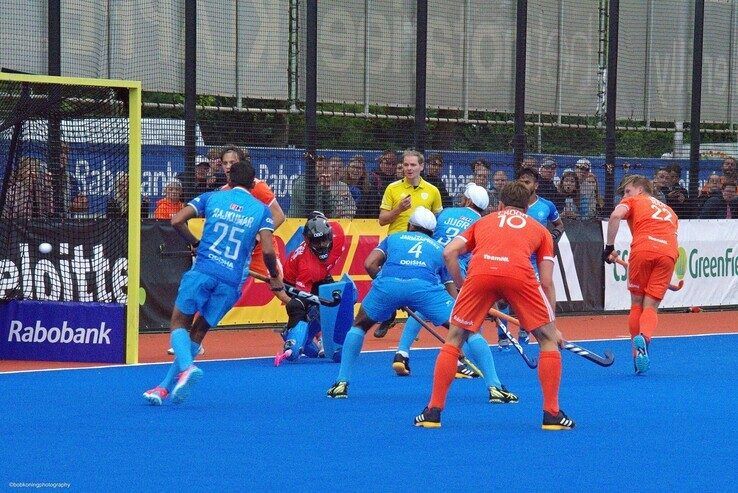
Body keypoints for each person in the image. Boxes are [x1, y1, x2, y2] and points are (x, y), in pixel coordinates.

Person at [414, 181, 573, 430]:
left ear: (499, 205)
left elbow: (449, 253)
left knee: (454, 338)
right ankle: (552, 415)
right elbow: (547, 281)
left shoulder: (482, 222)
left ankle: (433, 412)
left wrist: (462, 285)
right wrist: (552, 327)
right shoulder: (541, 231)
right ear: (527, 208)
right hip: (520, 276)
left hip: (480, 274)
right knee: (547, 341)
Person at [326, 207, 516, 405]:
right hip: (425, 289)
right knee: (468, 330)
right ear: (432, 232)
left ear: (410, 225)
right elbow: (450, 286)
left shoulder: (394, 238)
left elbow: (370, 264)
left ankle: (341, 383)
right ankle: (495, 387)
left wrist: (387, 286)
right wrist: (464, 310)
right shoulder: (439, 248)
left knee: (359, 326)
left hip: (388, 285)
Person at [143, 162, 283, 405]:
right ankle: (165, 387)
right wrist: (274, 278)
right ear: (252, 184)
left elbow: (176, 220)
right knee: (199, 330)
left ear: (229, 180)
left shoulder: (212, 197)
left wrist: (195, 244)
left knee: (178, 322)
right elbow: (269, 251)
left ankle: (187, 368)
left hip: (204, 271)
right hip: (230, 282)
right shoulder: (261, 211)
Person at [390, 183, 491, 381]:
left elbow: (430, 235)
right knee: (463, 314)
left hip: (429, 261)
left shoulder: (446, 212)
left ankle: (401, 353)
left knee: (422, 305)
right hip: (454, 269)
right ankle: (457, 361)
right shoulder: (483, 223)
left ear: (468, 200)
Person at [603, 174, 679, 375]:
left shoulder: (633, 200)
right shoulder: (670, 211)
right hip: (669, 253)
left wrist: (608, 247)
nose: (624, 195)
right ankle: (644, 338)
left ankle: (636, 356)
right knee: (651, 306)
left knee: (637, 303)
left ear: (640, 189)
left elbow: (615, 216)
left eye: (627, 190)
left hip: (643, 248)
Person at [496, 167, 564, 346]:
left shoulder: (546, 206)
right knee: (503, 299)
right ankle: (503, 335)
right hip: (512, 256)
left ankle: (525, 332)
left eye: (527, 182)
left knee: (528, 298)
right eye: (521, 181)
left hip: (534, 260)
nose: (524, 185)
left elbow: (559, 225)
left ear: (536, 185)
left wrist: (552, 237)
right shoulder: (509, 204)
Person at [274, 212, 347, 365]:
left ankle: (321, 339)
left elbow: (322, 218)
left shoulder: (338, 232)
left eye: (324, 240)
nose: (321, 245)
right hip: (295, 283)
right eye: (316, 242)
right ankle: (293, 334)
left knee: (342, 298)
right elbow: (303, 296)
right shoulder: (306, 265)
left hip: (321, 275)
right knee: (303, 308)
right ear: (307, 241)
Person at [379, 150, 443, 234]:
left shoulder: (433, 190)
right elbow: (382, 221)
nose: (409, 168)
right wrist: (399, 209)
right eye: (406, 165)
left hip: (421, 239)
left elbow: (439, 221)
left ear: (421, 166)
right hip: (396, 238)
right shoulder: (392, 188)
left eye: (413, 165)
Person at [345, 154, 383, 218]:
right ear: (348, 168)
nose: (355, 170)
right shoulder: (341, 186)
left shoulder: (370, 189)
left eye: (359, 168)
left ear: (363, 171)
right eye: (353, 167)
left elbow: (372, 212)